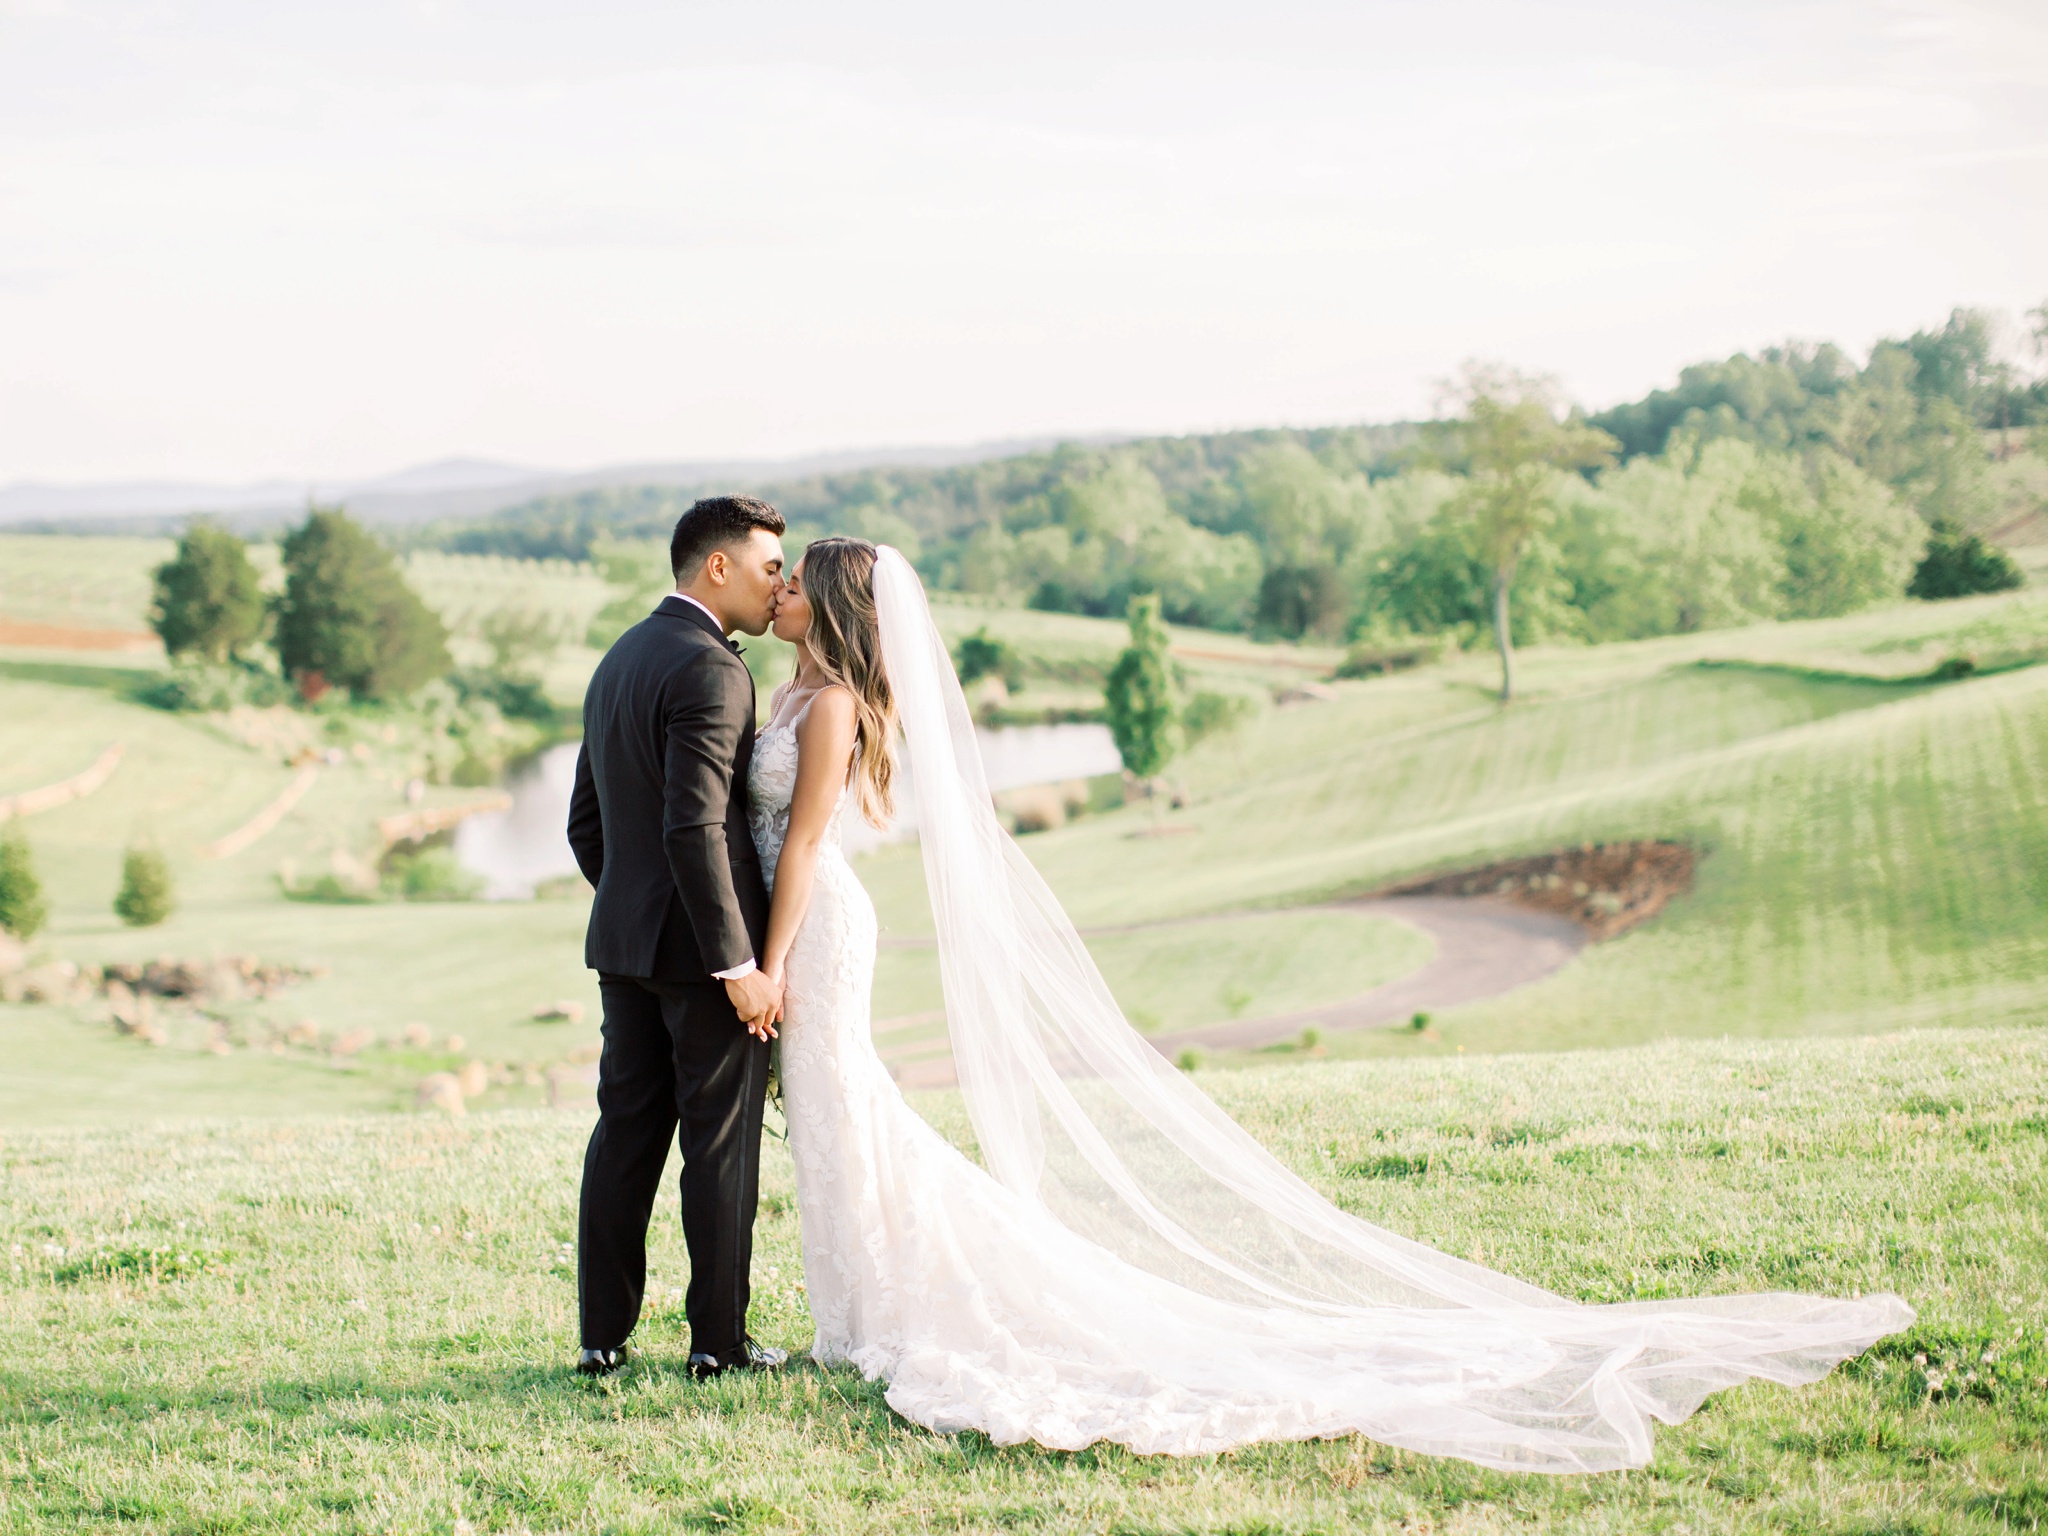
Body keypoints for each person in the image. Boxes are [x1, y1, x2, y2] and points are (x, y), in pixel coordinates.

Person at [744, 534, 1914, 1473]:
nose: (782, 589)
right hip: (802, 932)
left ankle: (871, 1326)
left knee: (848, 1119)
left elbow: (802, 846)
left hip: (820, 935)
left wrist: (772, 959)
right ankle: (856, 1319)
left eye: (800, 582)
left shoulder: (836, 705)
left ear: (839, 607)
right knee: (847, 1128)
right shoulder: (794, 690)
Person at [565, 495, 792, 1381]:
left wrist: (633, 906)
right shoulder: (713, 670)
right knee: (719, 1143)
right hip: (705, 959)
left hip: (626, 949)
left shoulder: (620, 656)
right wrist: (735, 960)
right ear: (719, 567)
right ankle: (718, 1345)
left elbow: (589, 825)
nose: (781, 584)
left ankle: (601, 1338)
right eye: (771, 566)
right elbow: (694, 826)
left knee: (624, 1136)